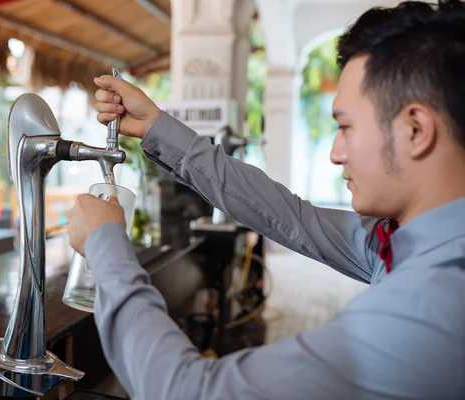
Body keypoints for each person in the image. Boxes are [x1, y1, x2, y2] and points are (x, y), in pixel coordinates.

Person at [65, 1, 465, 398]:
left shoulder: (432, 308)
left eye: (345, 127)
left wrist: (106, 245)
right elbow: (291, 217)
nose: (335, 153)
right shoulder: (403, 242)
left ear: (415, 129)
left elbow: (186, 391)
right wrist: (156, 127)